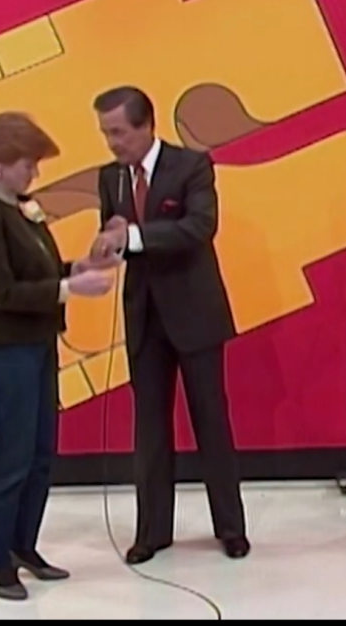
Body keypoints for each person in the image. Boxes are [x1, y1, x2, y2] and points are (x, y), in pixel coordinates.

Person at [0, 112, 118, 600]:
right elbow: (1, 290)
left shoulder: (23, 208)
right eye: (28, 165)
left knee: (40, 452)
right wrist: (71, 287)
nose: (35, 174)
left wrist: (78, 267)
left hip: (37, 344)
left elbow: (38, 271)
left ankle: (24, 543)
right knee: (8, 455)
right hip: (3, 348)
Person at [89, 86, 249, 563]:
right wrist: (107, 246)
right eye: (105, 134)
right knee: (151, 429)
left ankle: (231, 528)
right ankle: (152, 532)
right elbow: (116, 233)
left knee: (210, 421)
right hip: (145, 316)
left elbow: (200, 227)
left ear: (145, 125)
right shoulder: (111, 178)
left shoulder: (191, 166)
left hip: (195, 314)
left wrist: (134, 236)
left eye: (118, 132)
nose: (112, 143)